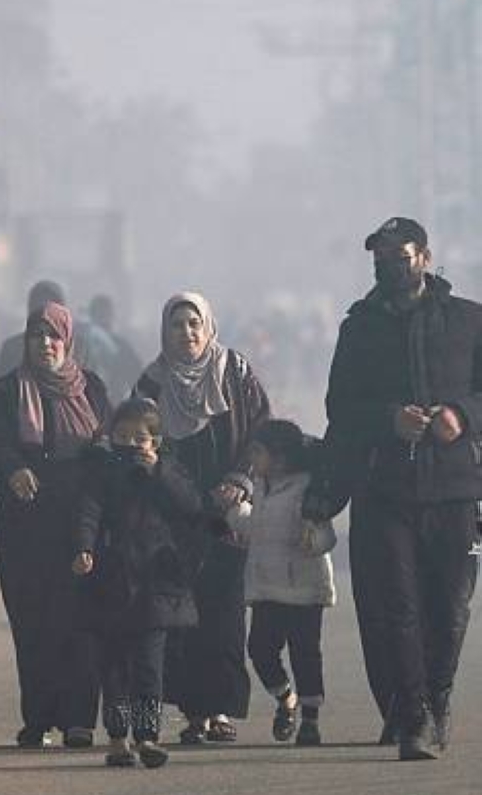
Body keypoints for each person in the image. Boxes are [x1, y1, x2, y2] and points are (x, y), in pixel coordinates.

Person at [303, 217, 482, 760]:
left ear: (424, 257)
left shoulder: (468, 321)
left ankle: (437, 697)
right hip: (385, 489)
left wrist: (462, 416)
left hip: (455, 488)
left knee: (450, 607)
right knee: (396, 607)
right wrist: (388, 420)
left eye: (399, 257)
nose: (389, 266)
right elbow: (340, 410)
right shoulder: (358, 329)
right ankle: (415, 716)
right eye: (379, 258)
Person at [133, 292, 270, 744]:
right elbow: (142, 443)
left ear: (208, 327)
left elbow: (260, 431)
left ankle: (220, 710)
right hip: (175, 517)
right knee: (181, 616)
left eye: (194, 323)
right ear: (165, 331)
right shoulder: (151, 384)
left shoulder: (235, 371)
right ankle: (195, 712)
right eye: (177, 324)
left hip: (227, 514)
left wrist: (242, 479)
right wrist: (177, 490)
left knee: (225, 613)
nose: (187, 333)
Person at [0, 300, 110, 748]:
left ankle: (79, 719)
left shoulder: (91, 389)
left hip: (80, 527)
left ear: (68, 340)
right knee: (32, 624)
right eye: (37, 335)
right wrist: (12, 468)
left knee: (79, 623)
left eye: (54, 335)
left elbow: (107, 445)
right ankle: (37, 717)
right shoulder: (6, 392)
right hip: (24, 528)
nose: (46, 344)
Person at [72, 397, 202, 768]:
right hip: (109, 583)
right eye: (122, 435)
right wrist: (84, 549)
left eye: (140, 437)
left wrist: (159, 473)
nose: (130, 443)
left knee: (149, 667)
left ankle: (147, 737)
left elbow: (192, 507)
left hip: (156, 585)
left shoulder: (169, 472)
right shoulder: (102, 472)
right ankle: (117, 738)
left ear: (156, 442)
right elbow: (88, 513)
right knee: (113, 668)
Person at [226, 420, 335, 747]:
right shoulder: (261, 486)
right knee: (260, 649)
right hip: (266, 587)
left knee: (305, 654)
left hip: (303, 589)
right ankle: (286, 698)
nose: (252, 459)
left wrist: (312, 539)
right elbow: (254, 528)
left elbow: (326, 536)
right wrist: (233, 510)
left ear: (281, 458)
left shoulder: (308, 488)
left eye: (258, 452)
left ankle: (310, 718)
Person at [85, 294, 143, 404]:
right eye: (100, 314)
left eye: (105, 314)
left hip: (113, 400)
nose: (104, 318)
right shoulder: (82, 343)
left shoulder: (121, 345)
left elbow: (136, 376)